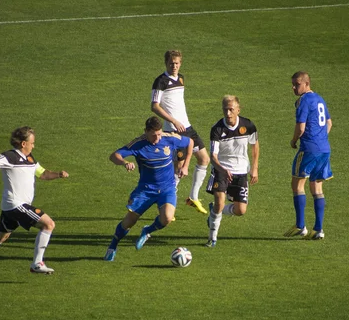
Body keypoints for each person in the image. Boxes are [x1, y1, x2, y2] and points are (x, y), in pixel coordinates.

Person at [0, 126, 69, 276]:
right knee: (48, 224)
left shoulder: (30, 159)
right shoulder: (9, 156)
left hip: (11, 207)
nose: (33, 145)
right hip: (16, 205)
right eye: (32, 143)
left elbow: (43, 174)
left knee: (2, 236)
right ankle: (37, 263)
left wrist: (58, 174)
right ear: (23, 143)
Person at [104, 116, 193, 261]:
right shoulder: (139, 144)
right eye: (153, 135)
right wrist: (125, 162)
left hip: (167, 188)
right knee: (129, 222)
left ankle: (147, 231)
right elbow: (114, 156)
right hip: (146, 190)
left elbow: (190, 142)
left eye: (159, 134)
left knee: (167, 218)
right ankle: (113, 245)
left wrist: (186, 166)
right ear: (146, 132)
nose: (157, 138)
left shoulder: (169, 138)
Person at [151, 50, 210, 215]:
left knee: (204, 158)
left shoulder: (181, 78)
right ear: (166, 63)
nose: (174, 66)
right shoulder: (160, 81)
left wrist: (181, 121)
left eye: (177, 63)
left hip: (188, 127)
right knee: (178, 170)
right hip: (174, 130)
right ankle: (167, 205)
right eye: (171, 63)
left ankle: (193, 197)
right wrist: (173, 121)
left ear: (180, 63)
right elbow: (154, 105)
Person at [283, 71, 332, 240]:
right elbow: (329, 122)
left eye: (297, 84)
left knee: (297, 185)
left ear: (306, 83)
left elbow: (301, 127)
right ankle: (318, 229)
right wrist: (321, 137)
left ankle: (300, 226)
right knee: (317, 188)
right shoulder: (320, 99)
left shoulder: (304, 101)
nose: (294, 87)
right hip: (324, 149)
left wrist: (293, 140)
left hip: (309, 149)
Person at [205, 95, 259, 247]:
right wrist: (223, 169)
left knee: (241, 210)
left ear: (238, 110)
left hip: (241, 171)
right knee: (219, 202)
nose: (228, 113)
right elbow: (213, 156)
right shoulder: (217, 129)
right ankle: (212, 238)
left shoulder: (248, 125)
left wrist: (254, 168)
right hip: (221, 170)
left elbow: (255, 145)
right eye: (225, 110)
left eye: (231, 110)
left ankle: (216, 211)